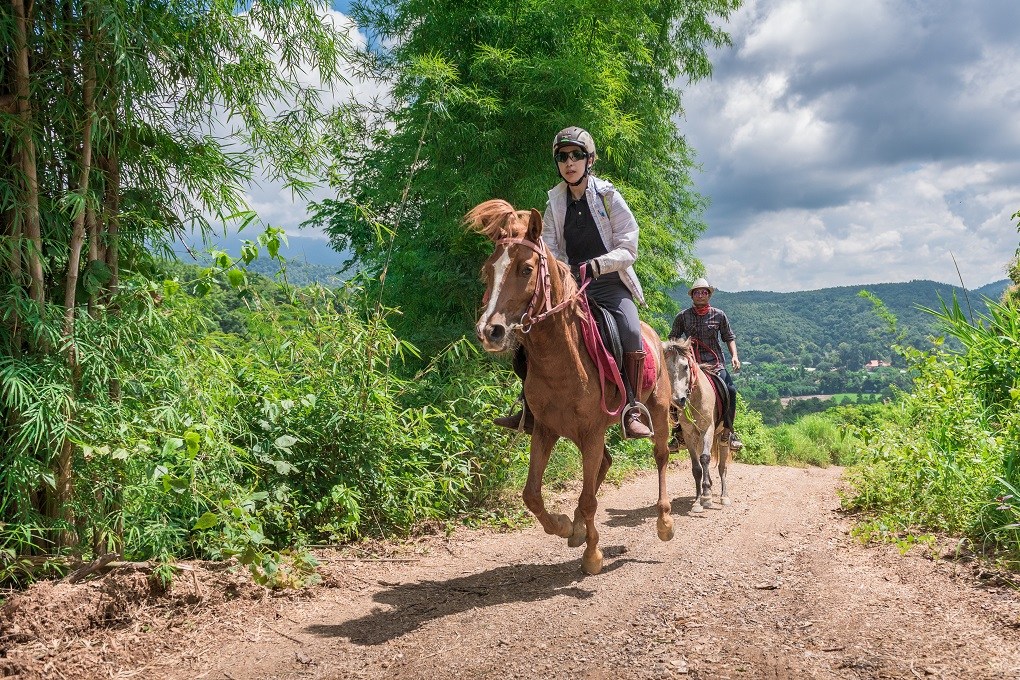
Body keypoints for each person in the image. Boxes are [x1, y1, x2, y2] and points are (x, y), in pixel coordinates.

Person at [493, 126, 653, 438]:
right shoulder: (554, 201)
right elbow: (551, 249)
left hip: (609, 282)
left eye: (576, 155)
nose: (569, 162)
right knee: (529, 331)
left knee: (631, 329)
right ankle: (528, 405)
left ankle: (631, 408)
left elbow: (629, 245)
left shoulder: (609, 196)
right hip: (568, 284)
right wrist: (565, 272)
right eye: (562, 157)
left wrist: (597, 264)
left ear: (589, 159)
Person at [668, 278, 743, 450]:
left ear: (708, 295)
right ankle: (678, 433)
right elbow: (672, 338)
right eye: (697, 292)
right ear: (692, 296)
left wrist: (735, 356)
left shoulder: (719, 315)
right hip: (692, 364)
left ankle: (728, 431)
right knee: (674, 391)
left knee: (730, 390)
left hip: (715, 363)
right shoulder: (682, 316)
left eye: (704, 292)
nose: (700, 295)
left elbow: (729, 337)